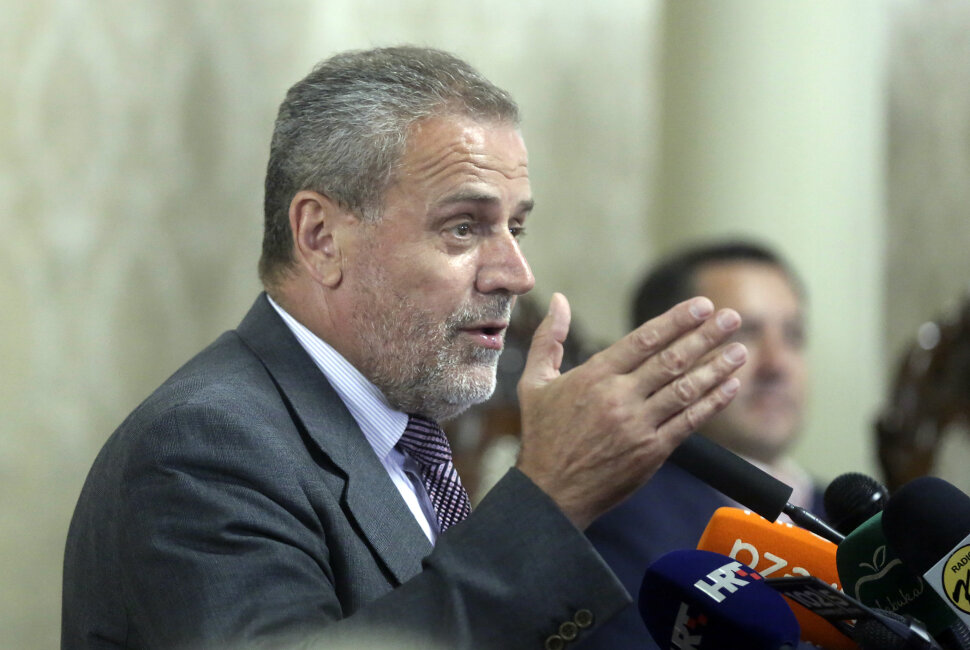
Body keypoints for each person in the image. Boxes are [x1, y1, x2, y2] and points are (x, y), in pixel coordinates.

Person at [61, 47, 748, 650]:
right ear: (321, 238)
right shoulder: (204, 448)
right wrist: (550, 497)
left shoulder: (406, 432)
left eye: (515, 228)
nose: (516, 274)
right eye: (463, 228)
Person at [580, 240, 826, 649]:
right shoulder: (617, 517)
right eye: (744, 335)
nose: (777, 363)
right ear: (663, 359)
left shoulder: (853, 521)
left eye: (793, 335)